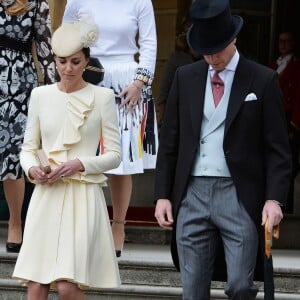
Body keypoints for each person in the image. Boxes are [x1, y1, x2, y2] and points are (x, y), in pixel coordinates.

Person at [154, 1, 292, 299]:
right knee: (192, 292)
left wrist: (274, 199)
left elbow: (278, 149)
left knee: (240, 286)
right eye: (205, 50)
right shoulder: (186, 77)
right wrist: (163, 194)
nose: (212, 57)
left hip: (238, 194)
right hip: (191, 193)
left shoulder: (262, 79)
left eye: (217, 49)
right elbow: (170, 142)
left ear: (234, 39)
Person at [12, 22, 121, 299]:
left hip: (82, 195)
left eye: (75, 61)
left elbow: (115, 156)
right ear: (55, 61)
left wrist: (81, 163)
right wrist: (33, 168)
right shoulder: (40, 95)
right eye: (62, 61)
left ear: (86, 61)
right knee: (36, 285)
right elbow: (27, 148)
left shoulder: (103, 97)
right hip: (46, 195)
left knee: (66, 286)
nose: (68, 68)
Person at [63, 0, 158, 257]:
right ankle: (83, 225)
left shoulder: (141, 1)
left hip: (126, 79)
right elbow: (65, 39)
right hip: (86, 75)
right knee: (82, 154)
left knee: (121, 160)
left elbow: (149, 45)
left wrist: (140, 82)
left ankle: (118, 226)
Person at [0, 0, 55, 253]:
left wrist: (56, 93)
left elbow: (45, 49)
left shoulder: (36, 3)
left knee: (13, 154)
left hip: (19, 85)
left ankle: (15, 222)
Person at [269, 31, 300, 213]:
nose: (284, 45)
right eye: (281, 41)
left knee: (287, 163)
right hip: (273, 118)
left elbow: (297, 97)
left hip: (288, 120)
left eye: (287, 41)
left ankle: (284, 204)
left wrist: (294, 125)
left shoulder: (296, 67)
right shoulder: (273, 65)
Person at [156, 17, 200, 128]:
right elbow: (164, 89)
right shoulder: (176, 58)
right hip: (179, 111)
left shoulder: (210, 59)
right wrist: (162, 118)